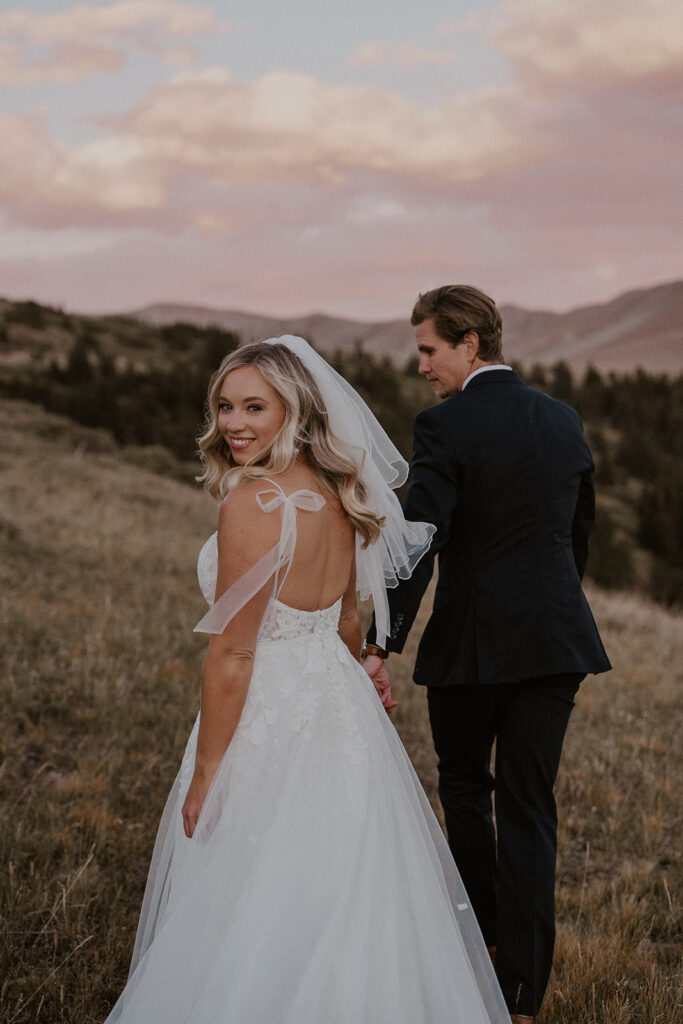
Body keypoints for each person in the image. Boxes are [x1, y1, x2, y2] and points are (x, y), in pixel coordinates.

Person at [104, 335, 511, 1023]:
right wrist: (361, 670)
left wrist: (207, 773)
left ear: (293, 410)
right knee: (347, 873)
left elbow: (233, 654)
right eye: (225, 406)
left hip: (274, 702)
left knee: (253, 875)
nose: (233, 423)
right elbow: (347, 621)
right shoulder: (337, 495)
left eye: (254, 407)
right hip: (337, 699)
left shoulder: (254, 503)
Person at [362, 286, 611, 1023]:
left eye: (428, 350)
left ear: (469, 344)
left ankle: (483, 947)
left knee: (467, 790)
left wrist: (381, 640)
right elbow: (577, 537)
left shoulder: (444, 424)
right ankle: (525, 993)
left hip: (472, 647)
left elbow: (419, 539)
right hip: (556, 642)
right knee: (531, 809)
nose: (421, 367)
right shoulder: (562, 419)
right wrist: (554, 608)